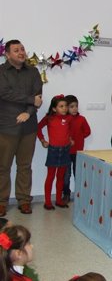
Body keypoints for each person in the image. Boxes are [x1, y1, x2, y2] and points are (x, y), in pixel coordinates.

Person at [0, 40, 43, 217]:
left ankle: (24, 200)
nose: (21, 52)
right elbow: (4, 93)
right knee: (3, 167)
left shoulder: (33, 71)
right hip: (6, 126)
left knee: (25, 166)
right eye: (16, 50)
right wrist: (30, 100)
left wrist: (29, 111)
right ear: (7, 54)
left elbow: (38, 96)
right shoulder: (1, 72)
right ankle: (1, 202)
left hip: (29, 126)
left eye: (22, 49)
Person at [37, 95, 73, 210]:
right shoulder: (49, 118)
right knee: (51, 176)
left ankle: (58, 200)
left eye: (66, 106)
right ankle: (47, 202)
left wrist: (70, 139)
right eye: (61, 106)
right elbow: (38, 127)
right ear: (54, 109)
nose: (64, 108)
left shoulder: (69, 118)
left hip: (65, 150)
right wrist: (43, 140)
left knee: (61, 177)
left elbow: (70, 130)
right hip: (53, 150)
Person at [62, 95, 91, 202]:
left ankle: (79, 194)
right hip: (66, 151)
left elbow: (87, 131)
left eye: (76, 106)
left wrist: (80, 136)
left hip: (78, 152)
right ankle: (66, 194)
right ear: (66, 108)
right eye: (71, 106)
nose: (74, 109)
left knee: (78, 173)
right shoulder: (64, 120)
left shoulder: (81, 119)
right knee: (66, 174)